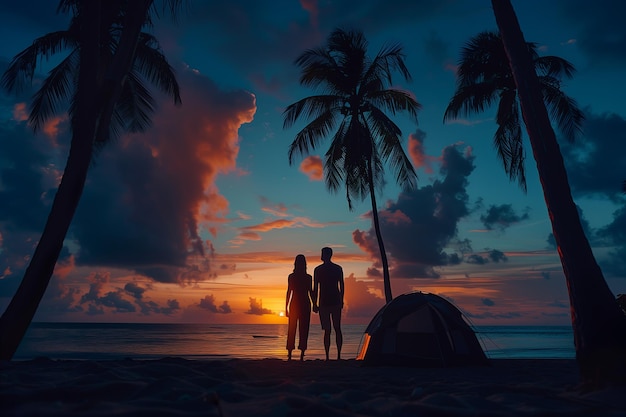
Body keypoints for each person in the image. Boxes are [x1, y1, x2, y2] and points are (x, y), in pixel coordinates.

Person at [312, 247, 344, 360]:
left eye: (322, 253)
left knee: (331, 329)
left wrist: (314, 303)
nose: (321, 255)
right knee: (333, 329)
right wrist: (314, 303)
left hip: (327, 302)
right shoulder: (337, 268)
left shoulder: (319, 270)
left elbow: (316, 287)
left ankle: (331, 356)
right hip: (331, 301)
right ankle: (332, 356)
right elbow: (342, 286)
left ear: (326, 255)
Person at [285, 254, 313, 361]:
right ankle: (301, 353)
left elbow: (289, 292)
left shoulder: (292, 276)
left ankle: (290, 353)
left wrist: (286, 307)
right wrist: (315, 303)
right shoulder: (307, 277)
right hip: (304, 303)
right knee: (303, 328)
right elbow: (311, 292)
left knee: (292, 328)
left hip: (296, 303)